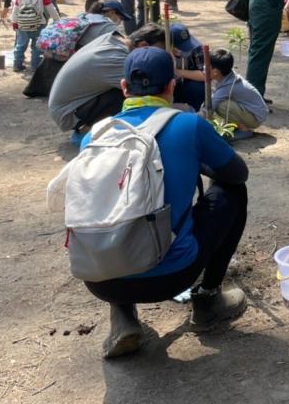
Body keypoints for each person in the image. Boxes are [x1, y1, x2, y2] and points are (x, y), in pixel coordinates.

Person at [79, 47, 249, 359]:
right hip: (169, 277)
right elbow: (238, 173)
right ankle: (208, 300)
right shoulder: (187, 125)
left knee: (113, 212)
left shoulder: (93, 137)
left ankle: (122, 315)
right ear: (172, 86)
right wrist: (196, 161)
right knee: (233, 192)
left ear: (124, 88)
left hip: (97, 277)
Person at [49, 23, 166, 140]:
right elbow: (152, 85)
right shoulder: (116, 59)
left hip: (73, 103)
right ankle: (88, 133)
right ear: (142, 45)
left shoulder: (115, 39)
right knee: (132, 92)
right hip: (68, 114)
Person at [206, 47, 269, 137]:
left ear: (215, 72)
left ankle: (244, 130)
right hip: (254, 111)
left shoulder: (227, 86)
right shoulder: (227, 75)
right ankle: (235, 125)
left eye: (207, 67)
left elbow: (209, 107)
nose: (204, 68)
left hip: (256, 117)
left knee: (222, 106)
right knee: (219, 99)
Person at [9, 0, 60, 72]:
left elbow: (15, 11)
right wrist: (57, 21)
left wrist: (14, 22)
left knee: (20, 45)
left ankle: (17, 65)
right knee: (37, 47)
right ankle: (35, 66)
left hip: (22, 26)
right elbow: (52, 10)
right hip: (38, 25)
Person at [170, 23, 208, 111]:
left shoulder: (197, 48)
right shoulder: (160, 51)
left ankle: (197, 112)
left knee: (199, 88)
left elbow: (205, 75)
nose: (183, 50)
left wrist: (177, 72)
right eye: (178, 47)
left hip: (187, 84)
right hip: (170, 86)